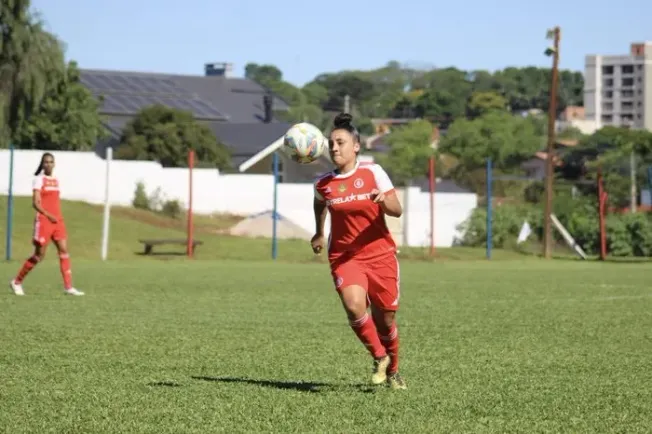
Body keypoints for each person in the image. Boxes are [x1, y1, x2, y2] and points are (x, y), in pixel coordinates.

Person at [312, 113, 406, 390]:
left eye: (340, 142)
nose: (334, 148)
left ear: (356, 146)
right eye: (331, 144)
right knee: (354, 306)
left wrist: (383, 200)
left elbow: (397, 210)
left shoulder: (372, 172)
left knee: (386, 319)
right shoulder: (323, 184)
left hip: (380, 255)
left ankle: (394, 371)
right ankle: (379, 357)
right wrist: (319, 231)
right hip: (345, 256)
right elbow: (319, 204)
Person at [10, 152, 84, 296]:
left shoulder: (56, 180)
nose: (49, 164)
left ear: (54, 164)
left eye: (51, 162)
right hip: (44, 220)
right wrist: (48, 215)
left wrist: (56, 217)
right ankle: (17, 281)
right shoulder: (39, 180)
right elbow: (35, 203)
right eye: (46, 162)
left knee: (64, 250)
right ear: (42, 164)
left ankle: (68, 287)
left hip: (57, 221)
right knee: (39, 255)